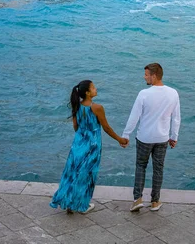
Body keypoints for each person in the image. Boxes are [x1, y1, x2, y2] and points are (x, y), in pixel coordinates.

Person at [50, 80, 128, 214]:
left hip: (78, 143)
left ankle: (69, 203)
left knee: (72, 172)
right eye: (93, 87)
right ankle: (82, 204)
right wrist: (120, 139)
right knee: (87, 175)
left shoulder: (76, 106)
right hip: (92, 145)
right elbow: (107, 128)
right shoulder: (97, 108)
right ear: (87, 93)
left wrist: (83, 134)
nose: (96, 89)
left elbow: (75, 127)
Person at [122, 63, 181, 212]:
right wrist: (174, 136)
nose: (144, 77)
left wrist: (126, 134)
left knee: (140, 166)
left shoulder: (144, 94)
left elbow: (134, 116)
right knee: (158, 169)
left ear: (154, 76)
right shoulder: (173, 93)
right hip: (162, 138)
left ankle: (137, 200)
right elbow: (176, 118)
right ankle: (155, 201)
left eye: (146, 74)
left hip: (144, 138)